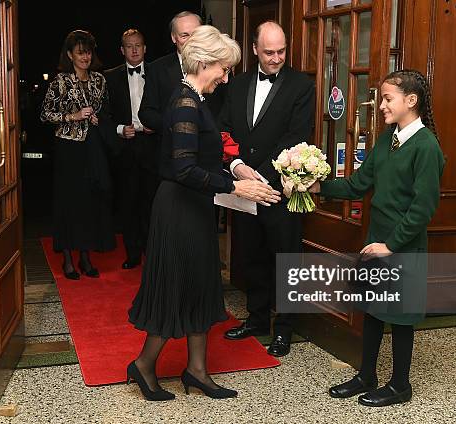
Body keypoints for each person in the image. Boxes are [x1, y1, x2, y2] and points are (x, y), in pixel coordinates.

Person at [127, 25, 281, 402]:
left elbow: (206, 156)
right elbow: (182, 168)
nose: (226, 77)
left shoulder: (195, 99)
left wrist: (236, 168)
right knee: (175, 287)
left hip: (194, 207)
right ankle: (144, 365)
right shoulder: (184, 102)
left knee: (199, 285)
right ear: (205, 62)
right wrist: (234, 186)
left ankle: (197, 370)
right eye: (223, 69)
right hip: (178, 209)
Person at [310, 69, 444, 407]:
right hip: (377, 239)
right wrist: (319, 186)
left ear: (411, 101)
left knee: (400, 317)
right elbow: (358, 184)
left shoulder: (426, 146)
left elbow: (422, 209)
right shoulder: (388, 138)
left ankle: (400, 385)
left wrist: (390, 245)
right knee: (372, 310)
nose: (380, 105)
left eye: (387, 99)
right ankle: (366, 375)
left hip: (402, 244)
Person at [219, 21, 315, 357]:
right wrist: (237, 171)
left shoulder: (301, 86)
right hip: (244, 188)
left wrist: (260, 178)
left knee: (285, 259)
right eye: (269, 52)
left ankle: (284, 328)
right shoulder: (238, 84)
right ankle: (257, 319)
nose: (276, 58)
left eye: (281, 51)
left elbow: (296, 136)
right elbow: (225, 129)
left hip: (278, 190)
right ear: (256, 50)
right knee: (251, 255)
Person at [40, 30, 115, 279]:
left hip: (92, 148)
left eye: (88, 51)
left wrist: (97, 119)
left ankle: (86, 256)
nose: (85, 56)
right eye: (80, 52)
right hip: (68, 149)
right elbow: (45, 114)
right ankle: (68, 260)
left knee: (90, 201)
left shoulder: (100, 81)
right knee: (69, 202)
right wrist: (71, 116)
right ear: (70, 54)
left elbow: (106, 112)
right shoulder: (60, 82)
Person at [104, 29, 156, 269]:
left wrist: (156, 126)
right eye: (129, 46)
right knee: (128, 202)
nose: (134, 50)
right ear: (121, 50)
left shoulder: (159, 73)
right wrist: (118, 129)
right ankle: (133, 253)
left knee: (153, 202)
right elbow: (104, 115)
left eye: (138, 45)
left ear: (145, 48)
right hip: (125, 146)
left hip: (153, 145)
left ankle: (152, 252)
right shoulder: (110, 77)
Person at [138, 11, 202, 134]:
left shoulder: (217, 67)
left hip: (207, 147)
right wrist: (175, 125)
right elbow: (146, 112)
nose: (191, 41)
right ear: (174, 37)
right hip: (170, 146)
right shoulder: (157, 68)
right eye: (185, 35)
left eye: (196, 34)